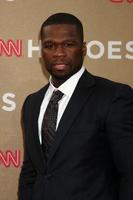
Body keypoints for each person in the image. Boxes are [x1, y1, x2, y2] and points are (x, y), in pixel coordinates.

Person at [18, 13, 133, 200]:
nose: (58, 53)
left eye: (68, 44)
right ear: (41, 51)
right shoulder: (32, 103)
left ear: (83, 49)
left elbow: (129, 172)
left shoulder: (113, 96)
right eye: (50, 45)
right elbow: (31, 170)